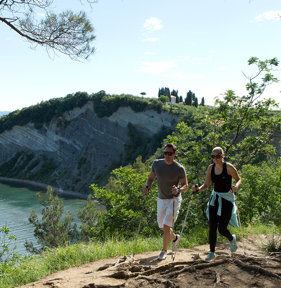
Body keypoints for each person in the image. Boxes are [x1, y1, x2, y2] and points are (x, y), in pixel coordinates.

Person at [192, 147, 241, 260]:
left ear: (223, 156)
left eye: (218, 156)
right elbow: (206, 185)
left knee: (222, 228)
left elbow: (238, 179)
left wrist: (236, 186)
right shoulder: (211, 168)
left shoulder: (228, 167)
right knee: (212, 226)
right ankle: (212, 252)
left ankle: (231, 238)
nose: (215, 159)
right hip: (215, 199)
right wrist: (198, 189)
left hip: (227, 200)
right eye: (213, 157)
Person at [143, 143, 188, 260]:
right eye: (165, 153)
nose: (167, 155)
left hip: (174, 200)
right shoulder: (157, 164)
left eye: (170, 153)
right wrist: (147, 186)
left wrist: (178, 189)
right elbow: (151, 177)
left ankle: (164, 251)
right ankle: (175, 238)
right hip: (161, 199)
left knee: (167, 225)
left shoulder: (179, 168)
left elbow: (185, 185)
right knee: (162, 226)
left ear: (175, 154)